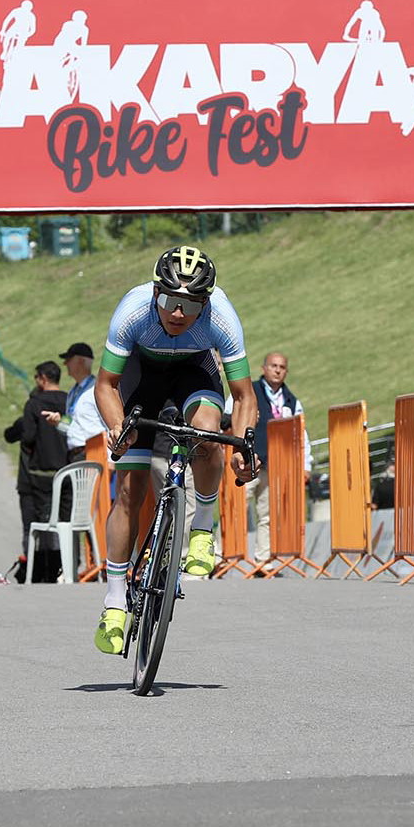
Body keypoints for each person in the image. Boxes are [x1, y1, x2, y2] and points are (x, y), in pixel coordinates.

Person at [92, 246, 260, 654]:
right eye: (169, 300)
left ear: (206, 302)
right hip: (140, 376)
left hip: (193, 370)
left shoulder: (222, 318)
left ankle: (202, 527)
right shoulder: (132, 311)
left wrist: (243, 444)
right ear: (155, 294)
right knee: (131, 490)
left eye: (190, 304)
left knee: (207, 433)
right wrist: (119, 427)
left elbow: (243, 396)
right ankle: (115, 602)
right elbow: (105, 385)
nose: (178, 313)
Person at [5, 361, 70, 580]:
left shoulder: (34, 404)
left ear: (42, 378)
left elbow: (29, 437)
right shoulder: (69, 400)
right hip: (68, 473)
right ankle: (64, 567)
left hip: (39, 475)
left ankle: (37, 569)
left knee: (36, 523)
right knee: (62, 524)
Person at [247, 351, 302, 566]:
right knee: (236, 510)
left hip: (274, 464)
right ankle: (221, 556)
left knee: (267, 513)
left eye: (282, 367)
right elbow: (229, 415)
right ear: (264, 368)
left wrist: (303, 464)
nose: (278, 370)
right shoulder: (250, 390)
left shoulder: (291, 400)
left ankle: (263, 559)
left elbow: (301, 433)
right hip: (249, 461)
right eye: (273, 366)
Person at [46, 342, 104, 454]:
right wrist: (58, 422)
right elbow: (73, 425)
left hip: (94, 451)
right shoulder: (72, 393)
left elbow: (109, 423)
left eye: (68, 359)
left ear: (81, 361)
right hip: (75, 453)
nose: (64, 363)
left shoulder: (97, 390)